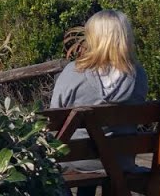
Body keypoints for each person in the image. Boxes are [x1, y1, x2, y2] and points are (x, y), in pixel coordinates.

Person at [50, 10, 148, 192]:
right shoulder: (138, 75)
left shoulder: (73, 72)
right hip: (120, 160)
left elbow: (54, 116)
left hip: (77, 160)